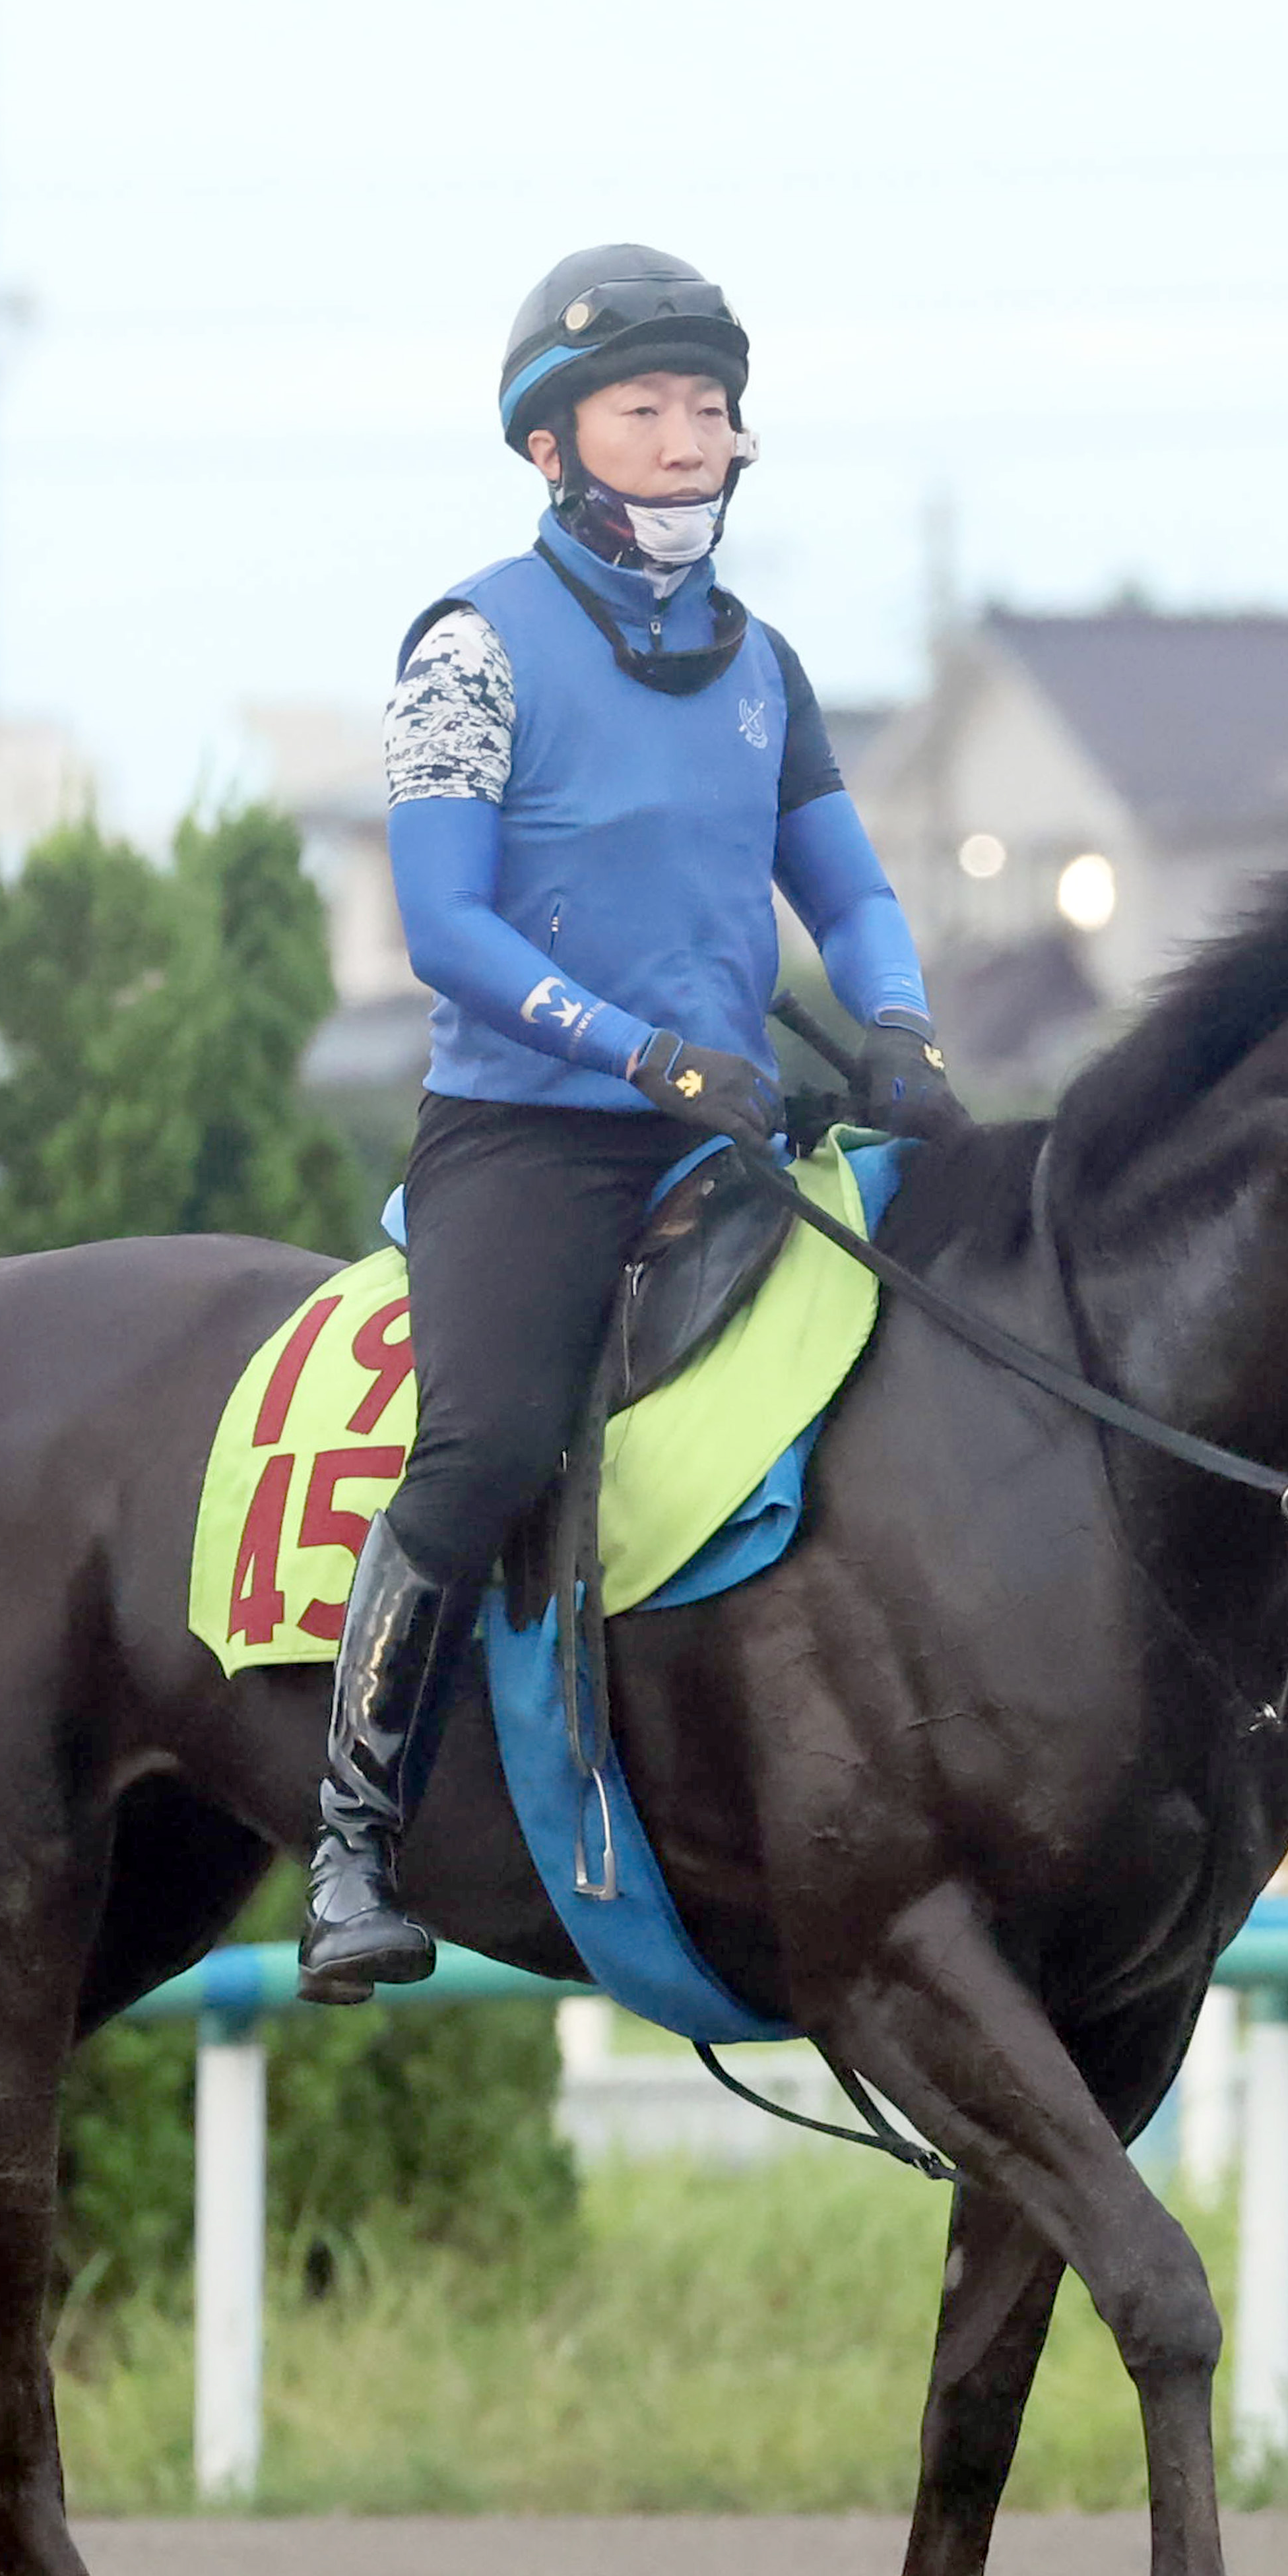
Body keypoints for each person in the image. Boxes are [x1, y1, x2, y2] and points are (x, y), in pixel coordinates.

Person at [298, 242, 967, 2002]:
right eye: (644, 410)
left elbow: (847, 887)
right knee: (490, 1447)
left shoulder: (763, 666)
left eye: (709, 409)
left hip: (722, 1127)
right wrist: (642, 1057)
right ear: (551, 447)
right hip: (530, 1137)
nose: (686, 441)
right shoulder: (470, 650)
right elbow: (446, 927)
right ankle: (354, 1836)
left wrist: (902, 1026)